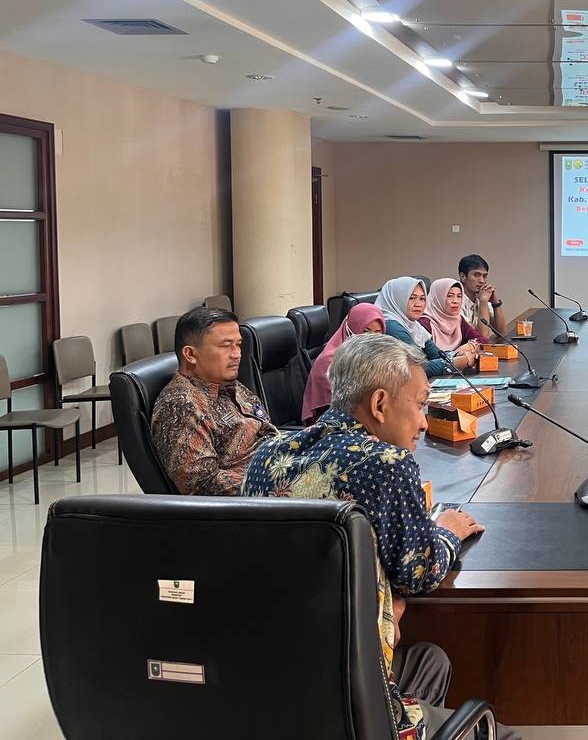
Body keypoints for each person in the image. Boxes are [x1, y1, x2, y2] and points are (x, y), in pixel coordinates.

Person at [241, 334, 520, 740]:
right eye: (420, 404)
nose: (424, 422)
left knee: (430, 662)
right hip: (348, 695)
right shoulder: (387, 463)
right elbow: (419, 573)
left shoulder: (267, 455)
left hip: (269, 684)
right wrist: (446, 531)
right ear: (379, 404)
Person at [150, 306, 277, 495]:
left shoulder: (229, 385)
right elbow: (203, 484)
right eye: (225, 346)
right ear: (190, 354)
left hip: (280, 462)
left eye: (238, 344)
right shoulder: (181, 405)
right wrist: (281, 484)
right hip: (264, 495)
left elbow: (267, 430)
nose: (236, 354)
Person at [301, 302, 384, 424]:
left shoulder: (376, 356)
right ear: (350, 329)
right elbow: (340, 406)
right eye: (365, 331)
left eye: (377, 332)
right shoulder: (330, 361)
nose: (371, 339)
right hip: (331, 423)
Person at [375, 276, 477, 373]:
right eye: (412, 298)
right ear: (397, 299)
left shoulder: (414, 325)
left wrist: (458, 354)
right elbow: (416, 367)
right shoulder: (392, 326)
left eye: (422, 299)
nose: (418, 304)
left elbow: (436, 354)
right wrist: (458, 362)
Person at [423, 278, 487, 354]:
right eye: (450, 296)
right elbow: (429, 356)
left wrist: (470, 346)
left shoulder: (458, 320)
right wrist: (455, 354)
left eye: (459, 296)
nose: (455, 301)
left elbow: (482, 340)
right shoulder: (424, 323)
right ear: (438, 298)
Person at [458, 254, 507, 340]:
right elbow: (482, 338)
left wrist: (495, 303)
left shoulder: (481, 297)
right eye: (476, 275)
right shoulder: (456, 302)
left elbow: (502, 332)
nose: (482, 281)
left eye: (484, 276)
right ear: (463, 277)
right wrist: (483, 302)